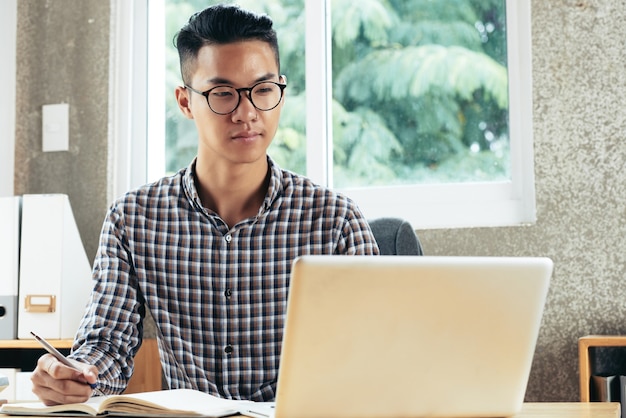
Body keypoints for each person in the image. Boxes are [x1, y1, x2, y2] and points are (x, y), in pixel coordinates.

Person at [30, 3, 379, 406]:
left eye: (263, 90)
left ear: (281, 91)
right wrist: (75, 376)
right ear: (184, 101)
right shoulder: (134, 220)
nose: (246, 113)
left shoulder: (336, 220)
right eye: (223, 94)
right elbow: (106, 347)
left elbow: (373, 351)